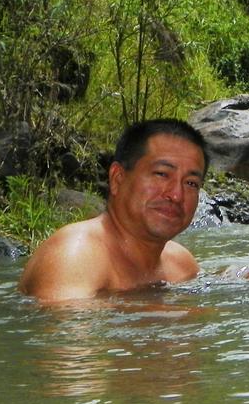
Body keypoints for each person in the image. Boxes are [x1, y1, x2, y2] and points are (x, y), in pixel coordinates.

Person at [18, 119, 207, 302]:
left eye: (191, 183)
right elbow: (64, 329)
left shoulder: (182, 266)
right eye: (161, 174)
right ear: (117, 179)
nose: (176, 195)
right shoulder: (75, 256)